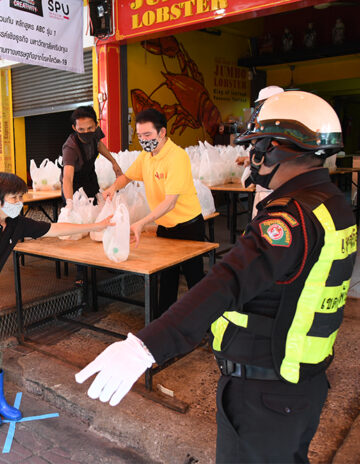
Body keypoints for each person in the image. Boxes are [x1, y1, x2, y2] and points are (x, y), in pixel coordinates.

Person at [76, 91, 355, 463]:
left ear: (278, 149)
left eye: (257, 146)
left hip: (265, 390)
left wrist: (144, 347)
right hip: (299, 381)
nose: (252, 157)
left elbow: (226, 281)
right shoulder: (332, 202)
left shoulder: (289, 219)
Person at [0, 172, 113, 427]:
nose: (20, 201)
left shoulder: (17, 222)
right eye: (14, 197)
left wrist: (97, 226)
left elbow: (55, 229)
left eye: (21, 196)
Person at [104, 108, 204, 315]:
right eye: (139, 136)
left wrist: (142, 223)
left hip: (188, 227)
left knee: (195, 281)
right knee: (166, 278)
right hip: (165, 227)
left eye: (148, 135)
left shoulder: (177, 157)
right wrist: (113, 188)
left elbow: (170, 202)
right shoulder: (146, 156)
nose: (143, 140)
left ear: (162, 132)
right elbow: (127, 177)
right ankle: (163, 322)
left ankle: (206, 324)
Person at [237, 85, 286, 217]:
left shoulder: (268, 130)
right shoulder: (288, 129)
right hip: (280, 191)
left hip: (270, 191)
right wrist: (250, 160)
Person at [61, 105, 122, 206]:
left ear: (96, 125)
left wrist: (113, 162)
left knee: (96, 207)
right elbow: (67, 178)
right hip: (74, 184)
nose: (86, 132)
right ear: (74, 128)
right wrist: (69, 203)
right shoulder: (70, 148)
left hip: (90, 178)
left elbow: (98, 144)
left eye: (89, 128)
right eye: (81, 129)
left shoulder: (95, 132)